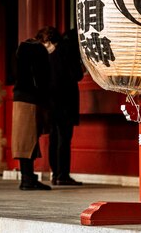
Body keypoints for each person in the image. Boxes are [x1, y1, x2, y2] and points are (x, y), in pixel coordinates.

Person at [12, 26, 58, 190]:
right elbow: (42, 77)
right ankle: (27, 179)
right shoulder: (38, 51)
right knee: (28, 139)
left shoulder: (22, 49)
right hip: (31, 98)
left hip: (19, 97)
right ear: (48, 41)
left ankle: (28, 176)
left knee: (23, 139)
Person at [48, 28, 84, 186]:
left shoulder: (52, 53)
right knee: (64, 138)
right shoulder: (70, 51)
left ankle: (55, 173)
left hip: (52, 100)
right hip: (66, 100)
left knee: (54, 138)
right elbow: (77, 74)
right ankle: (63, 175)